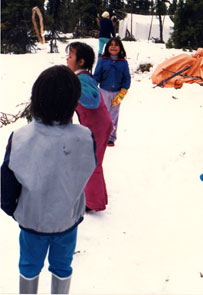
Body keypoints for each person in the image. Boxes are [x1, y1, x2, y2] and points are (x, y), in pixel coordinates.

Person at [1, 65, 96, 294]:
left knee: (29, 265)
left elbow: (6, 184)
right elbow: (86, 170)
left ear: (37, 99)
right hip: (67, 220)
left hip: (33, 220)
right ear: (74, 101)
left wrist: (14, 209)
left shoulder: (21, 137)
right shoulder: (85, 137)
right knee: (63, 266)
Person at [66, 42, 113, 212]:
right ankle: (97, 198)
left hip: (98, 127)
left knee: (91, 163)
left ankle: (93, 203)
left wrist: (73, 90)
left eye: (70, 56)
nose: (67, 59)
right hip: (97, 125)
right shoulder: (80, 78)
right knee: (92, 162)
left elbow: (92, 101)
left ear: (80, 62)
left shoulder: (82, 79)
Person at [93, 37, 131, 146]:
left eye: (116, 45)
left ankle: (111, 137)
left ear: (120, 48)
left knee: (113, 115)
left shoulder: (123, 63)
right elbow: (97, 76)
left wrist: (124, 90)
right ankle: (100, 135)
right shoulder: (102, 60)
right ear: (107, 47)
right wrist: (92, 86)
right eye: (111, 45)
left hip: (117, 93)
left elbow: (127, 78)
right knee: (102, 114)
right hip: (104, 91)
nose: (113, 47)